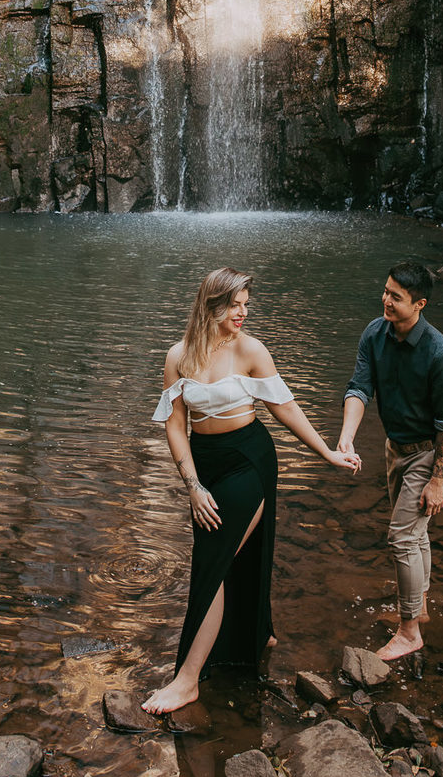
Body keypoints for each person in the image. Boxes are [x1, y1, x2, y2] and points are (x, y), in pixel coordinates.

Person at [144, 266, 359, 715]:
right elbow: (177, 426)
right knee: (228, 557)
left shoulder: (251, 351)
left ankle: (187, 681)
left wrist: (327, 453)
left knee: (213, 559)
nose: (244, 313)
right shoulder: (178, 356)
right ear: (212, 305)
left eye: (246, 304)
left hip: (248, 461)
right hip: (204, 465)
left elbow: (285, 407)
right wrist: (193, 485)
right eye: (235, 305)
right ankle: (255, 635)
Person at [336, 260, 443, 662]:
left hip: (431, 450)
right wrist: (346, 438)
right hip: (397, 448)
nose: (386, 301)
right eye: (386, 291)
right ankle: (419, 606)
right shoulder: (374, 334)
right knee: (416, 533)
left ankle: (409, 632)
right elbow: (359, 389)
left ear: (420, 304)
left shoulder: (442, 356)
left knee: (402, 537)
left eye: (396, 297)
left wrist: (437, 482)